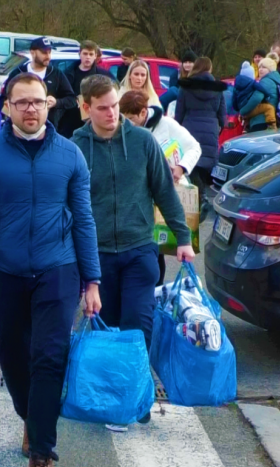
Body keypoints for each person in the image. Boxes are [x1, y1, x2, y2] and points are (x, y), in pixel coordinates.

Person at [0, 73, 102, 467]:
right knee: (12, 355)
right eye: (22, 102)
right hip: (8, 270)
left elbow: (84, 219)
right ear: (7, 108)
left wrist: (92, 280)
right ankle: (30, 415)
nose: (31, 109)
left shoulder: (70, 156)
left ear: (49, 104)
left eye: (38, 101)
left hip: (58, 270)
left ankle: (42, 449)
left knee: (49, 355)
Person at [71, 75, 193, 431]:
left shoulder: (142, 142)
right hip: (97, 256)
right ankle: (114, 398)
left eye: (115, 105)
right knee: (106, 330)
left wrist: (182, 238)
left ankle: (135, 399)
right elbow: (64, 203)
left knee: (138, 326)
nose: (112, 114)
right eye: (103, 108)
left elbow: (165, 194)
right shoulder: (74, 146)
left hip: (140, 248)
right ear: (86, 108)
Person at [120, 90, 202, 287]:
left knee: (158, 247)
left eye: (131, 119)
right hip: (136, 196)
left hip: (162, 192)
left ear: (143, 113)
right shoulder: (123, 129)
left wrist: (181, 167)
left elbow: (194, 147)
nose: (127, 124)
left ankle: (155, 291)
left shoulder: (167, 124)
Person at [174, 57, 227, 197]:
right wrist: (218, 128)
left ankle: (198, 197)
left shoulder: (185, 86)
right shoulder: (218, 88)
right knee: (205, 164)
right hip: (210, 130)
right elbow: (222, 117)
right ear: (209, 69)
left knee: (191, 163)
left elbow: (179, 113)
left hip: (189, 129)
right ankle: (201, 195)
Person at [0, 37, 77, 130]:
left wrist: (57, 102)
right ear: (33, 53)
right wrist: (12, 114)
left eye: (49, 52)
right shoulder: (18, 73)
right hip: (18, 129)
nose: (48, 56)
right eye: (44, 52)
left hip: (47, 129)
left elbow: (72, 100)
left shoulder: (56, 74)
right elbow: (3, 100)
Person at [58, 40, 115, 137]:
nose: (88, 57)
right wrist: (72, 100)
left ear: (95, 56)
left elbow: (113, 94)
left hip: (93, 122)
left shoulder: (103, 75)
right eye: (85, 53)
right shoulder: (68, 74)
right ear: (79, 54)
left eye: (91, 54)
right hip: (70, 121)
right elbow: (61, 96)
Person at [233, 61, 276, 132]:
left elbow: (234, 102)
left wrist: (239, 109)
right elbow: (261, 89)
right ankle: (272, 125)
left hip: (242, 109)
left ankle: (246, 126)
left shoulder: (236, 86)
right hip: (250, 110)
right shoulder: (252, 83)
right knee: (269, 108)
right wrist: (267, 95)